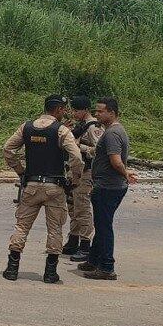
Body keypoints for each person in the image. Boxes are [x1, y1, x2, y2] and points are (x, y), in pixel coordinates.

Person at [2, 95, 83, 284]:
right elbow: (77, 158)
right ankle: (50, 272)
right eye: (64, 109)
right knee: (54, 229)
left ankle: (12, 268)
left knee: (22, 226)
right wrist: (75, 179)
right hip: (55, 187)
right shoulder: (61, 130)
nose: (65, 113)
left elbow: (8, 149)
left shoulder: (27, 127)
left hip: (31, 184)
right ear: (58, 110)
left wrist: (21, 171)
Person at [80, 96, 137, 281]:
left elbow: (116, 161)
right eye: (96, 111)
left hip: (108, 187)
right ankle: (94, 260)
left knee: (104, 227)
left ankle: (106, 267)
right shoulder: (114, 131)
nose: (97, 114)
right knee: (101, 224)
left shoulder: (112, 133)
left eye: (101, 111)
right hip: (108, 185)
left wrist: (125, 173)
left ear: (112, 113)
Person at [64, 96, 103, 263]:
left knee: (82, 208)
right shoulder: (80, 126)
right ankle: (73, 239)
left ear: (85, 110)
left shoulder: (93, 127)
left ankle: (85, 244)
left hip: (86, 172)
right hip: (74, 171)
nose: (74, 113)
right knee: (72, 206)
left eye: (76, 110)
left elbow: (100, 149)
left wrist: (79, 146)